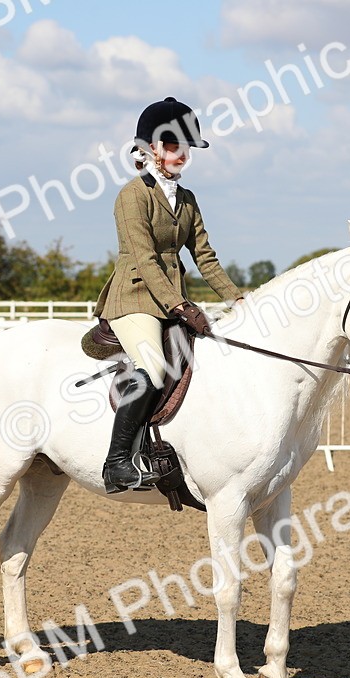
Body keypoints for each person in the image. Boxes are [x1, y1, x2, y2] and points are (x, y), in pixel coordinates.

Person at [93, 97, 245, 493]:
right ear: (152, 148)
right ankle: (117, 463)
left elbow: (205, 257)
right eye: (176, 145)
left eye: (187, 148)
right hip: (135, 299)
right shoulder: (132, 195)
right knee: (154, 364)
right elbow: (144, 259)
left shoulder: (188, 199)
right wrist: (179, 305)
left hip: (170, 301)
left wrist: (240, 300)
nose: (183, 154)